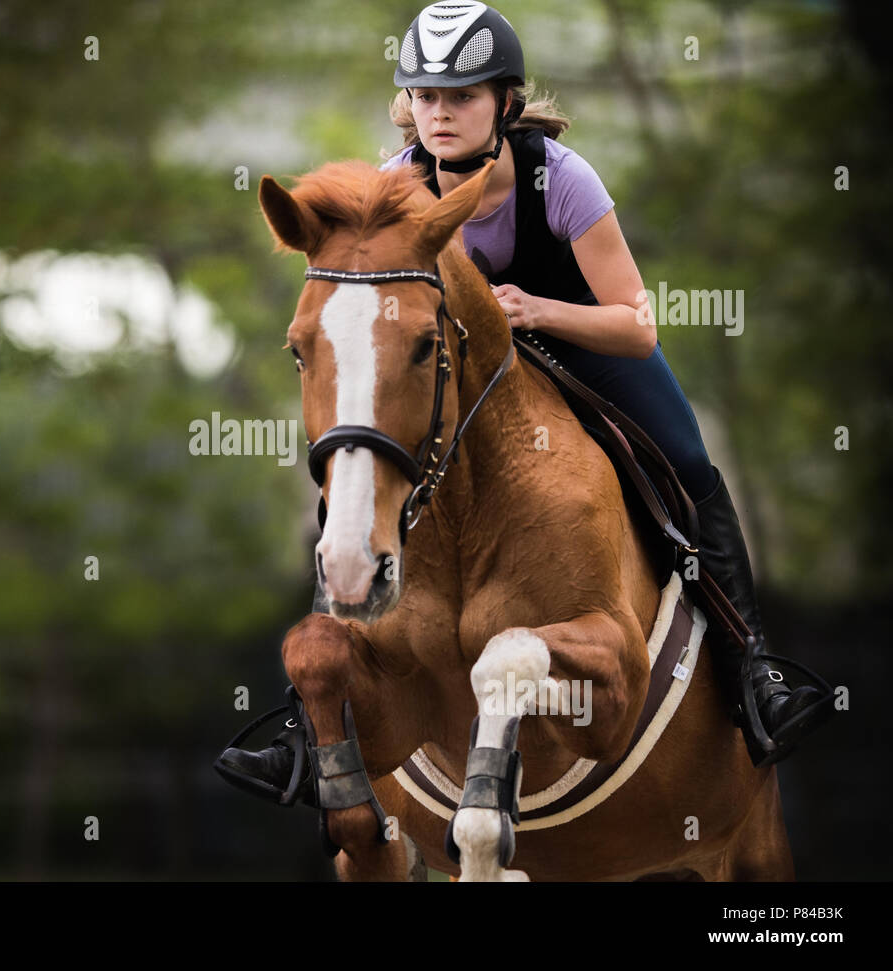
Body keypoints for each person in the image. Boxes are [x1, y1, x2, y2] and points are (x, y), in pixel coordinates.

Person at [215, 2, 833, 802]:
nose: (441, 113)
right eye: (428, 97)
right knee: (362, 466)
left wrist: (538, 310)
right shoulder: (397, 183)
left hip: (580, 340)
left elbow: (637, 324)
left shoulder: (561, 179)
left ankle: (754, 672)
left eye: (462, 96)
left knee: (687, 459)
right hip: (466, 367)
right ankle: (310, 719)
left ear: (504, 103)